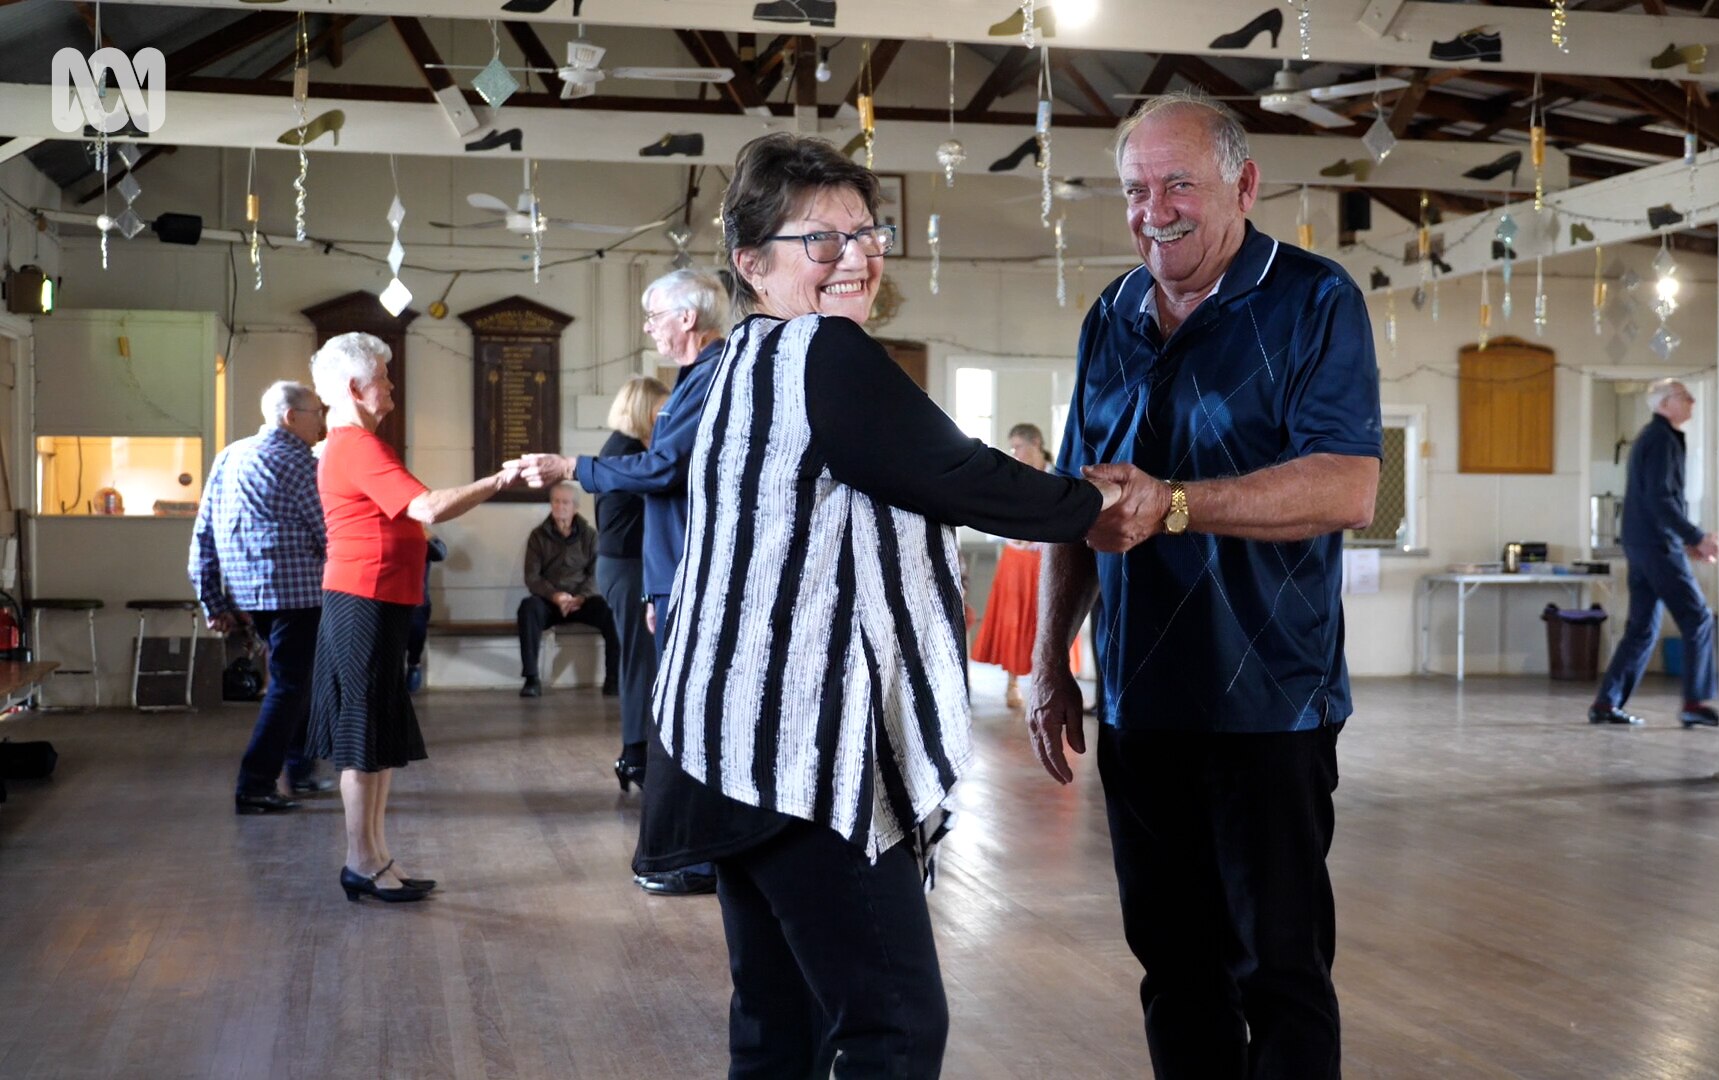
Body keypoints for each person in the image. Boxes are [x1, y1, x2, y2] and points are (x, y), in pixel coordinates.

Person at [519, 133, 1116, 1077]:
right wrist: (1102, 506)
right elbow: (954, 472)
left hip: (716, 744)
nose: (856, 256)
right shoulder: (822, 351)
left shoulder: (724, 371)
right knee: (894, 1025)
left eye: (867, 231)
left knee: (778, 1021)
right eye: (821, 240)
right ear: (752, 265)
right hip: (796, 752)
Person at [1028, 94, 1381, 1079]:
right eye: (1136, 189)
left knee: (1278, 971)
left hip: (1271, 703)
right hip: (1141, 705)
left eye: (1179, 183)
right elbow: (1077, 501)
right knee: (1173, 971)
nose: (1155, 210)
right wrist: (1050, 661)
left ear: (1244, 184)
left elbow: (1350, 486)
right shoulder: (1111, 314)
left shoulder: (1314, 298)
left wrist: (1175, 504)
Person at [517, 266, 731, 894]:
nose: (647, 327)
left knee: (689, 722)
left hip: (692, 581)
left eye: (653, 315)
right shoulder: (692, 381)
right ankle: (687, 851)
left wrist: (571, 466)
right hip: (671, 583)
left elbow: (666, 470)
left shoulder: (710, 378)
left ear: (686, 319)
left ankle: (698, 856)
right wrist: (652, 590)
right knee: (677, 714)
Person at [306, 332, 520, 903]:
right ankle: (359, 861)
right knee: (361, 733)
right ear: (355, 387)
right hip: (364, 599)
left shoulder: (355, 443)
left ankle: (376, 856)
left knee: (378, 731)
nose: (392, 385)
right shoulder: (355, 445)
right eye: (383, 376)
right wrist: (498, 480)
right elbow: (426, 507)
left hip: (381, 598)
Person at [188, 380, 330, 815]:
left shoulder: (229, 455)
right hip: (298, 593)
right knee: (289, 687)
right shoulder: (299, 464)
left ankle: (300, 770)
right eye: (316, 414)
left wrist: (213, 600)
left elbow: (204, 532)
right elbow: (329, 529)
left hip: (251, 595)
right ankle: (255, 784)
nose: (322, 422)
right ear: (291, 417)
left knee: (299, 681)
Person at [1590, 379, 1719, 728]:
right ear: (1664, 404)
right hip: (1656, 545)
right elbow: (1660, 499)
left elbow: (1660, 499)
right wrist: (1695, 536)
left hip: (1643, 541)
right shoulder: (1661, 439)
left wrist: (1687, 540)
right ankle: (1695, 701)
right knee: (1698, 617)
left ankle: (1607, 702)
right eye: (1684, 396)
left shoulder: (1655, 438)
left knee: (1643, 628)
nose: (1692, 400)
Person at [597, 374, 671, 790]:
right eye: (659, 410)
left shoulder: (625, 448)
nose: (664, 417)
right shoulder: (626, 452)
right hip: (626, 568)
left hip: (622, 565)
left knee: (642, 660)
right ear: (643, 410)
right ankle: (633, 754)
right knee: (639, 662)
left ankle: (638, 751)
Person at [970, 422, 1063, 710]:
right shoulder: (1014, 475)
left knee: (1046, 621)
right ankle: (1011, 685)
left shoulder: (1058, 476)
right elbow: (997, 512)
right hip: (1015, 559)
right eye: (1012, 448)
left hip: (1045, 557)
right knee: (1012, 620)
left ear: (1035, 442)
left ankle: (1047, 685)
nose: (1015, 452)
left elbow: (1063, 514)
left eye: (1018, 446)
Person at [516, 483, 619, 699]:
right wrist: (556, 596)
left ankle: (613, 680)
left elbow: (597, 573)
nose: (560, 506)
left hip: (583, 600)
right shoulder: (538, 536)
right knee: (527, 608)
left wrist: (580, 597)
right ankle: (532, 679)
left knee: (612, 612)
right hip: (550, 601)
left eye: (565, 502)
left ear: (575, 508)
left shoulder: (590, 536)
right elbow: (532, 577)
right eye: (556, 501)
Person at [405, 534, 448, 693]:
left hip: (417, 600)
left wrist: (426, 536)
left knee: (417, 627)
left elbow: (440, 553)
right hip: (390, 597)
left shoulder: (423, 538)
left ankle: (414, 663)